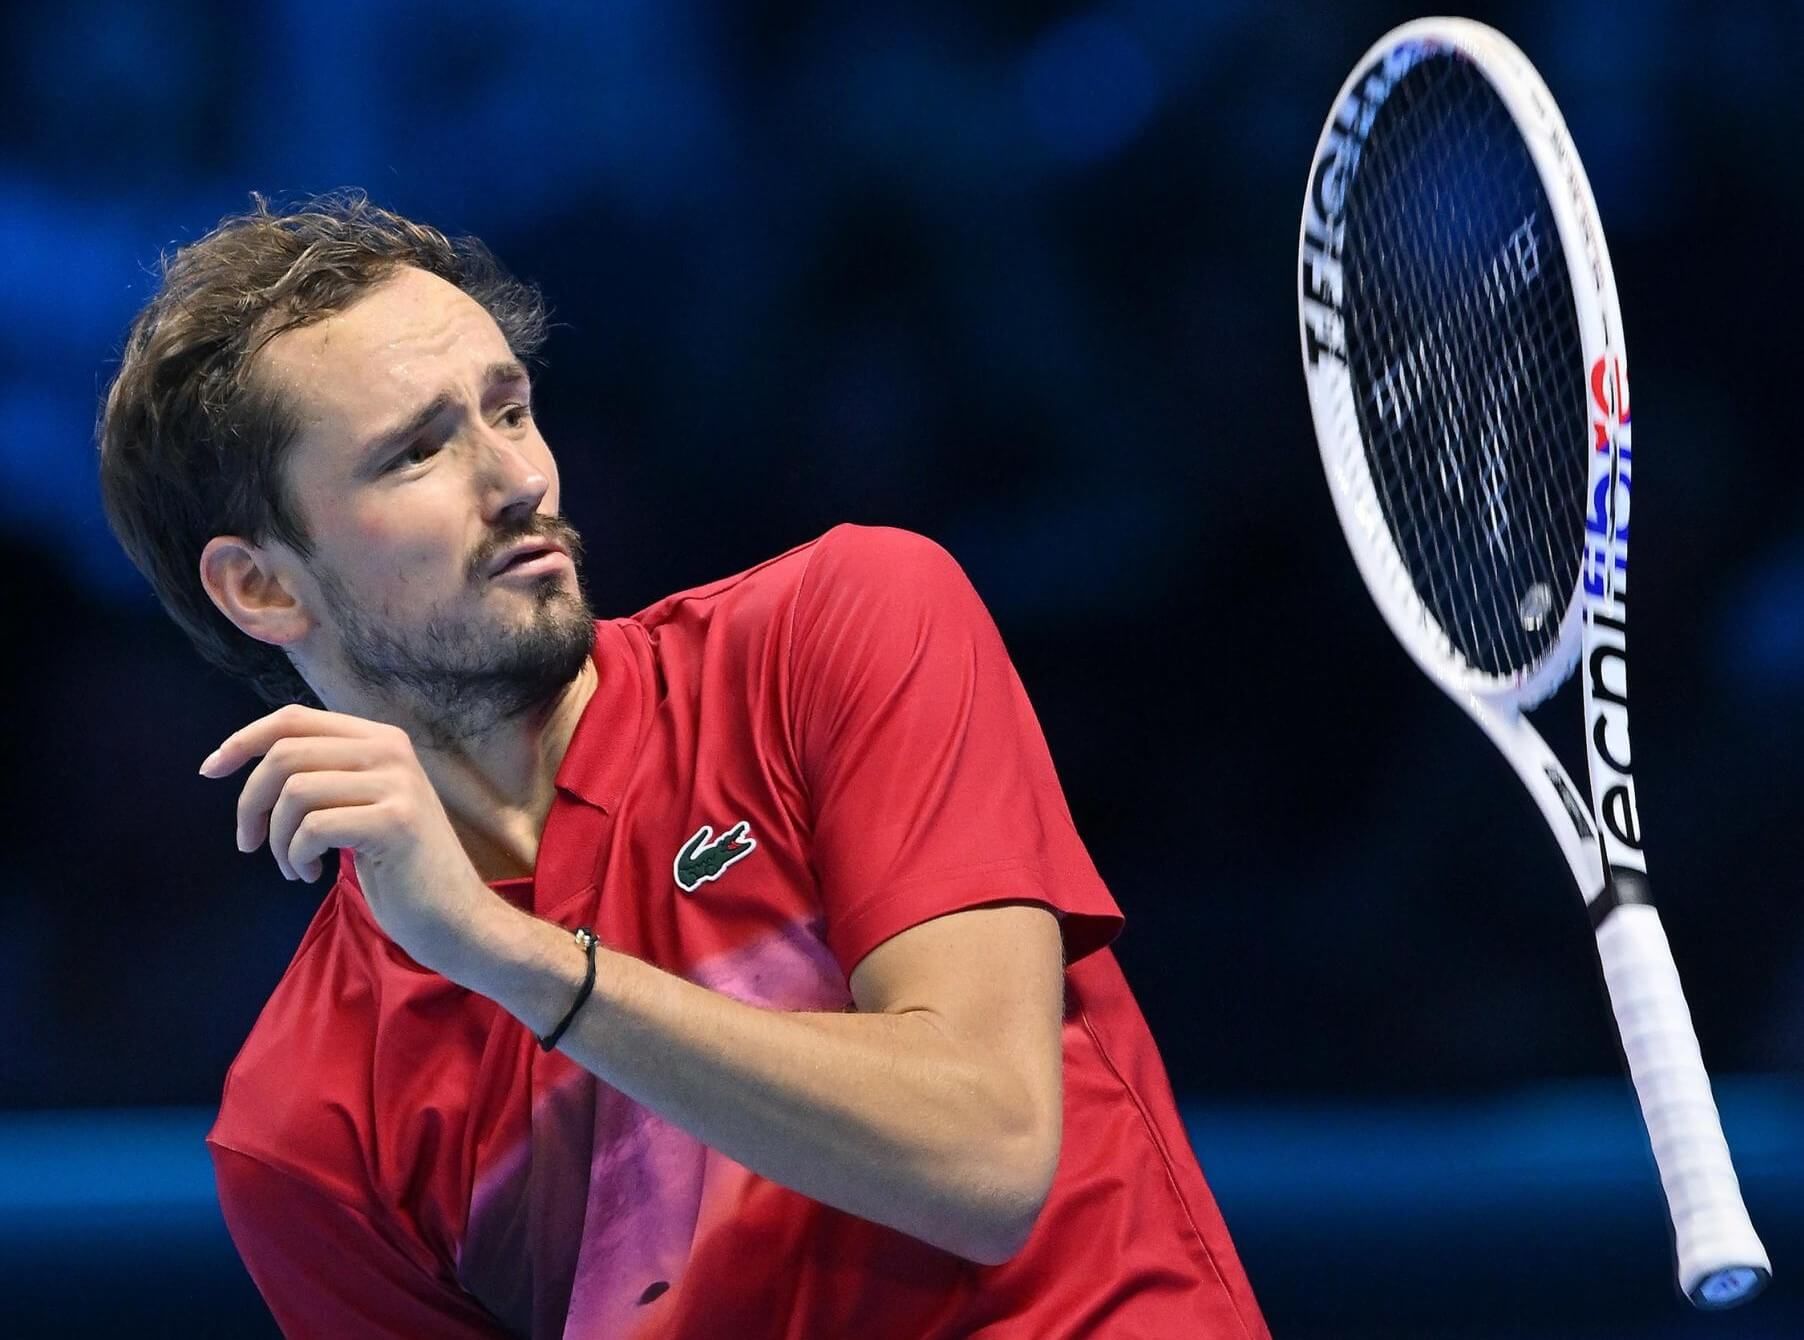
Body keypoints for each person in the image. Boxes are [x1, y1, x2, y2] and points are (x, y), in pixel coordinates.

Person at [98, 193, 1269, 1339]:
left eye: (510, 410)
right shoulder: (306, 1123)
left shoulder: (841, 626)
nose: (519, 480)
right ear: (261, 585)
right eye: (415, 452)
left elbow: (985, 1151)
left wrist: (505, 953)